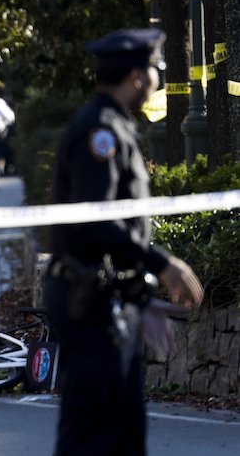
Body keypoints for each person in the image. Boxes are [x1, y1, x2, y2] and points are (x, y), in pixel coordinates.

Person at [43, 29, 203, 455]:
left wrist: (139, 295)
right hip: (88, 301)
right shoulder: (101, 131)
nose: (157, 78)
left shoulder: (112, 125)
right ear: (136, 76)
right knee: (94, 433)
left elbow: (112, 237)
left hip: (105, 297)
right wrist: (163, 263)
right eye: (155, 69)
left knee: (123, 430)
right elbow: (98, 221)